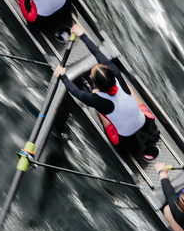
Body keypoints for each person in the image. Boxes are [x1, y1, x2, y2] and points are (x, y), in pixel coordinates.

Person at [54, 23, 160, 159]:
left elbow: (75, 91)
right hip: (149, 126)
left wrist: (62, 75)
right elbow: (98, 53)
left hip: (126, 142)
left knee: (96, 100)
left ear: (94, 83)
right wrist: (83, 35)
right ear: (110, 72)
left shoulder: (96, 99)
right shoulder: (115, 72)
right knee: (126, 86)